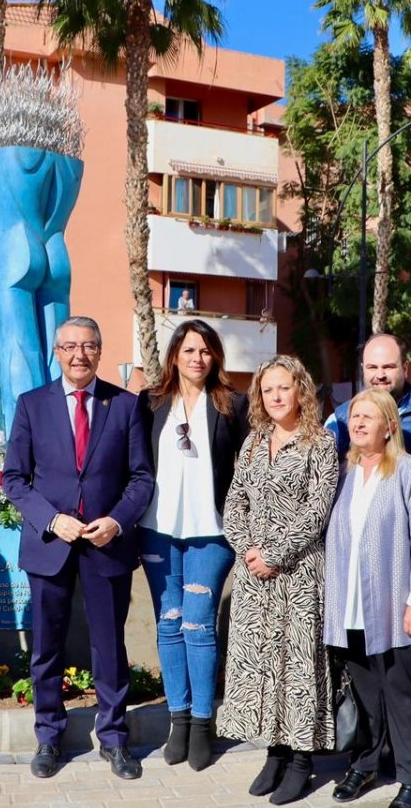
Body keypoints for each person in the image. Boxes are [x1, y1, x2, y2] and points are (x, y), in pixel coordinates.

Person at [2, 316, 155, 781]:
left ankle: (114, 739)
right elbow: (13, 478)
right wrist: (52, 519)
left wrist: (116, 521)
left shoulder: (125, 405)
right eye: (69, 346)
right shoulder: (32, 405)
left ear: (100, 350)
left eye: (88, 345)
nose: (79, 355)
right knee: (46, 647)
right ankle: (49, 736)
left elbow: (141, 477)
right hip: (51, 544)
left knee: (109, 646)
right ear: (57, 351)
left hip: (106, 544)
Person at [325, 388, 411, 808]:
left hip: (397, 608)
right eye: (354, 417)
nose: (358, 423)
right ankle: (364, 766)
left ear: (390, 426)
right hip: (350, 608)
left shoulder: (409, 472)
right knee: (364, 694)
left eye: (368, 417)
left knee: (402, 695)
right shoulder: (343, 476)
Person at [218, 355, 339, 806]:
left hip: (299, 574)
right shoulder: (252, 442)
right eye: (267, 390)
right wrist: (248, 549)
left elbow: (317, 510)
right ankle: (274, 750)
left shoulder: (321, 443)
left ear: (300, 390)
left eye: (283, 388)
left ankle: (302, 760)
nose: (275, 397)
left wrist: (274, 554)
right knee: (263, 665)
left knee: (298, 667)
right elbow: (234, 503)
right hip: (254, 576)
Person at [136, 319, 249, 771]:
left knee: (199, 625)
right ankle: (177, 719)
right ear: (174, 357)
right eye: (189, 351)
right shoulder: (149, 404)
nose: (197, 359)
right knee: (169, 623)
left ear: (215, 357)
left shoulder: (232, 404)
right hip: (157, 530)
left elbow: (250, 469)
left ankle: (203, 722)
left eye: (205, 351)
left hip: (212, 532)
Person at [325, 333, 411, 473]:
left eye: (388, 367)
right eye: (372, 367)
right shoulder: (340, 419)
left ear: (405, 369)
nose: (380, 375)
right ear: (363, 369)